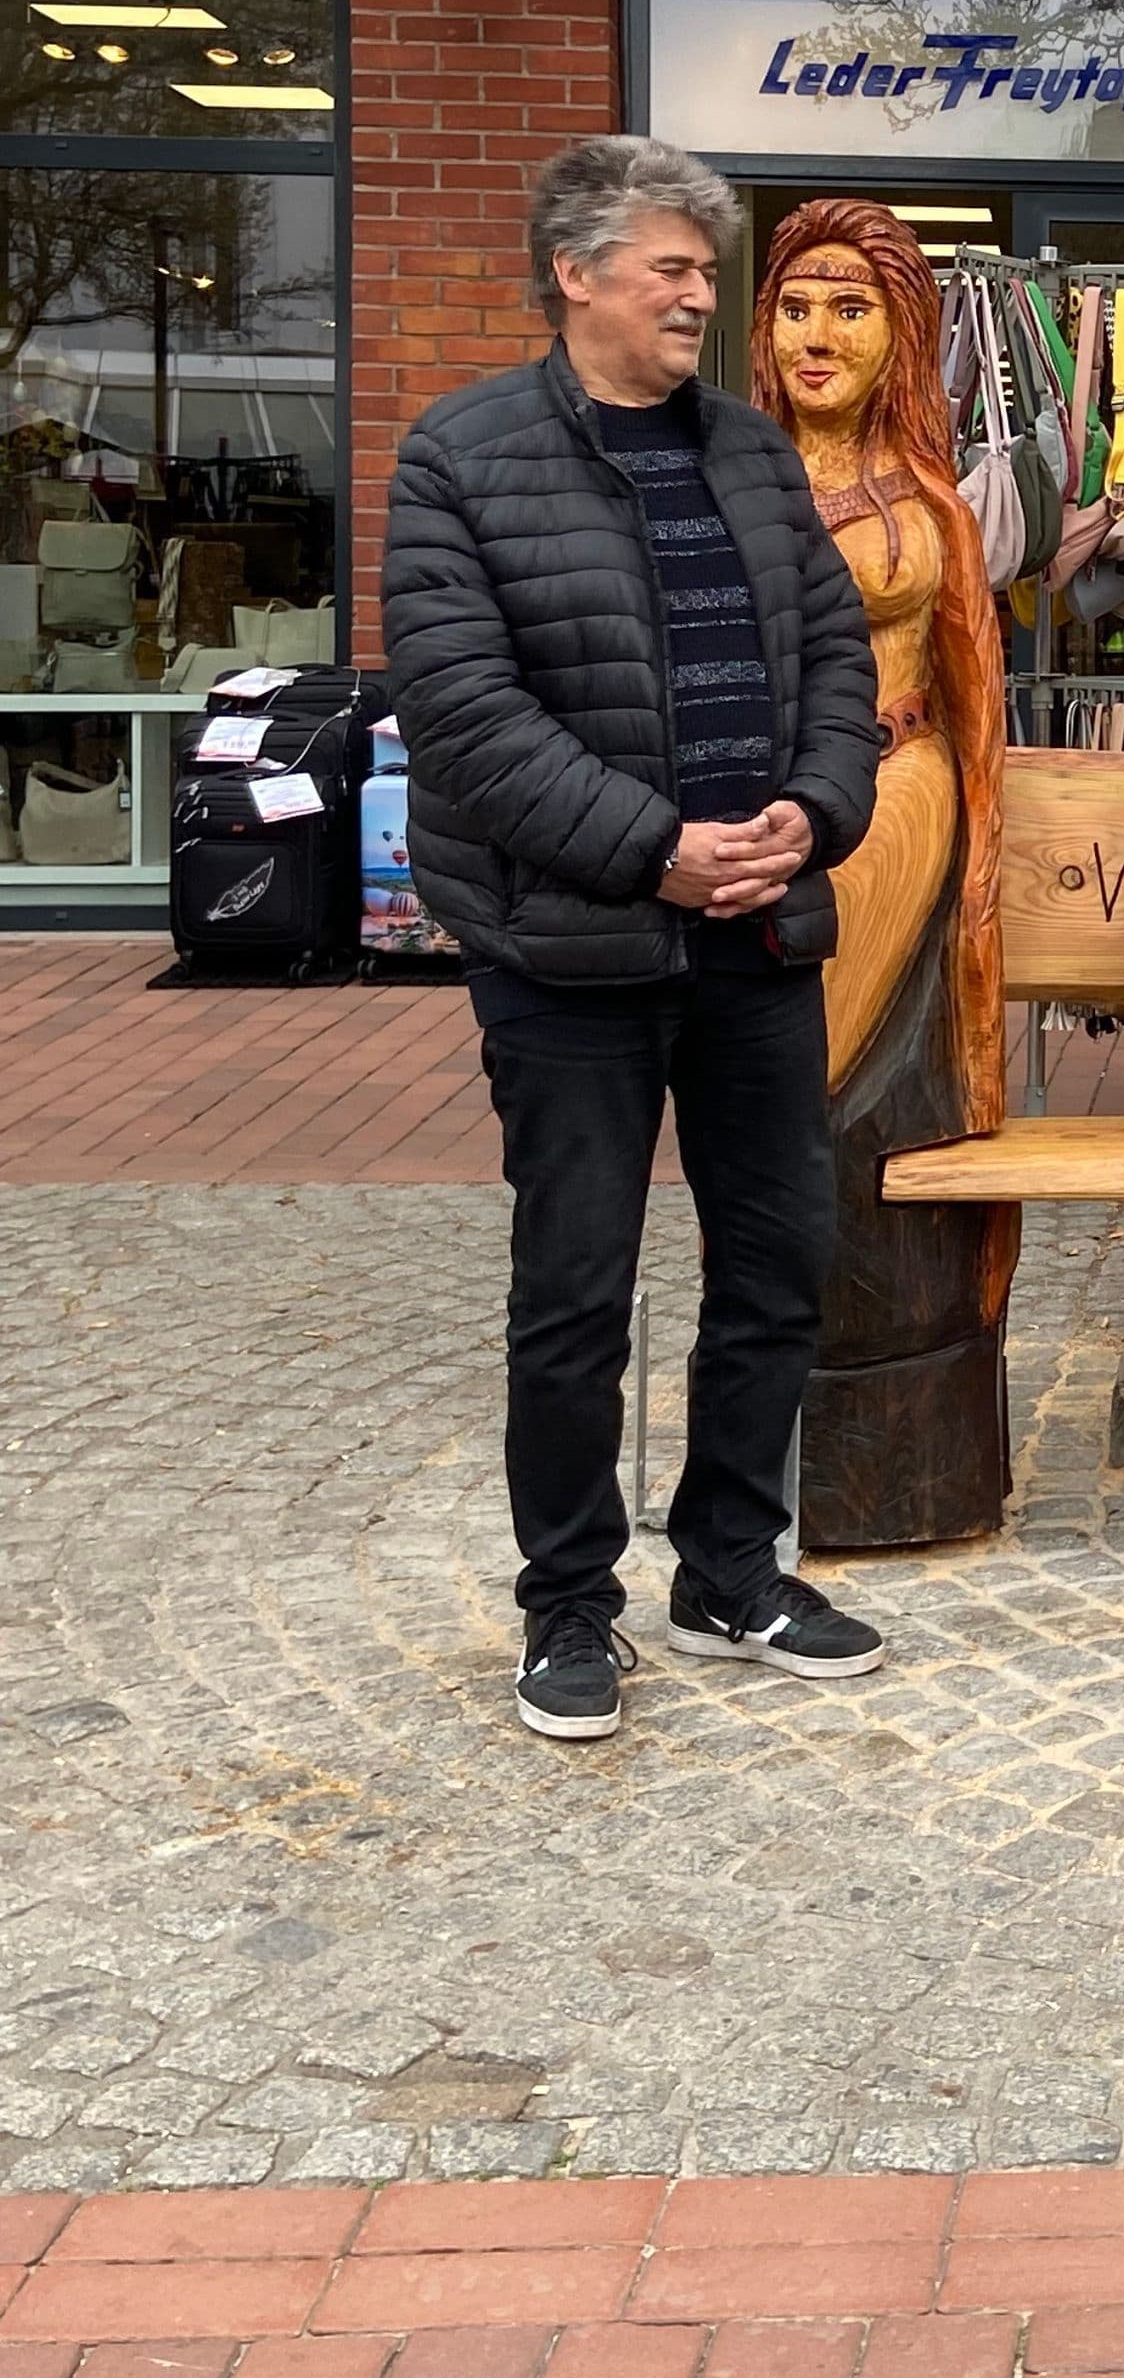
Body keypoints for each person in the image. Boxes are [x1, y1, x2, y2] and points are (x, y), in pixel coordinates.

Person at [383, 137, 885, 1743]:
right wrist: (655, 851)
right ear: (575, 273)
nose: (699, 293)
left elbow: (834, 670)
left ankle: (731, 1568)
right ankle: (568, 1608)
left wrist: (814, 810)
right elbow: (461, 713)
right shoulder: (460, 455)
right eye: (669, 266)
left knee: (782, 1262)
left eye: (701, 267)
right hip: (568, 959)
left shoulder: (749, 456)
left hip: (758, 945)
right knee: (577, 1291)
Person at [750, 200, 1016, 1544]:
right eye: (798, 305)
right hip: (770, 831)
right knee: (788, 1115)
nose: (817, 333)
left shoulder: (931, 504)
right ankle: (770, 1444)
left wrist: (979, 869)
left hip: (904, 815)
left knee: (881, 1112)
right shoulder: (723, 480)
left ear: (897, 332)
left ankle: (910, 1447)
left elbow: (979, 691)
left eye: (847, 307)